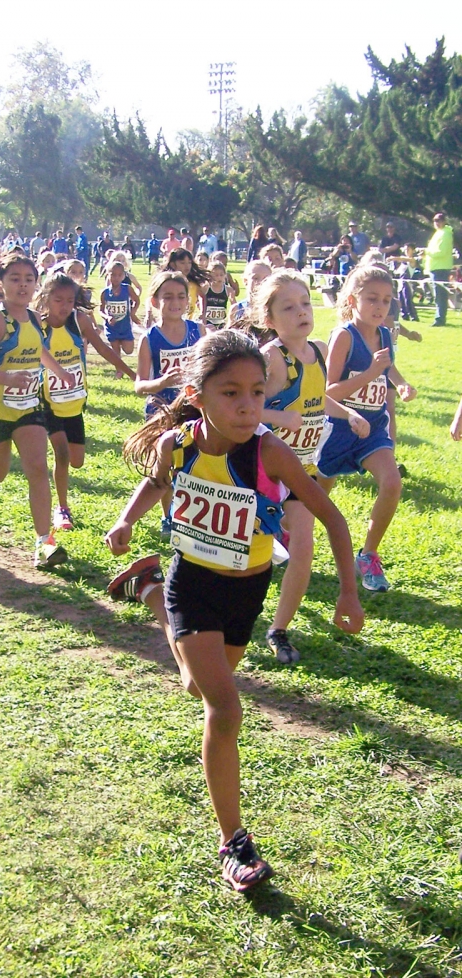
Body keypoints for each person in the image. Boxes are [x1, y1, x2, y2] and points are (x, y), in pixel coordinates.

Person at [105, 329, 364, 892]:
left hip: (246, 592)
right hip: (193, 583)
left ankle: (145, 588)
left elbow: (333, 519)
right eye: (230, 394)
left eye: (256, 392)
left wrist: (348, 590)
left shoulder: (269, 450)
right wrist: (127, 518)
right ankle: (234, 842)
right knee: (224, 709)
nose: (248, 406)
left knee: (197, 690)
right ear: (197, 396)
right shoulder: (179, 445)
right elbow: (156, 482)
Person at [258, 271, 371, 663]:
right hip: (261, 472)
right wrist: (278, 416)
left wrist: (348, 413)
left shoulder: (319, 350)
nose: (301, 312)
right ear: (269, 318)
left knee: (304, 550)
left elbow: (316, 397)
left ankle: (278, 629)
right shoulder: (271, 358)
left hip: (301, 471)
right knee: (245, 553)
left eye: (305, 303)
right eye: (288, 307)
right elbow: (242, 408)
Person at [0, 255, 75, 568]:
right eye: (15, 278)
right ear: (1, 283)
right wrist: (7, 377)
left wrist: (59, 370)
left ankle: (44, 544)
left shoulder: (34, 318)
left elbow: (38, 349)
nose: (22, 284)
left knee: (37, 468)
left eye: (28, 278)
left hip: (28, 406)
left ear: (36, 283)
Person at [316, 265, 417, 591]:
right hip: (339, 426)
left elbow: (387, 369)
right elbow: (329, 392)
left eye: (386, 300)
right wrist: (369, 373)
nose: (380, 306)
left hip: (372, 427)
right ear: (352, 299)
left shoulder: (385, 334)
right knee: (317, 496)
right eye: (372, 298)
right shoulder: (344, 335)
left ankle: (369, 553)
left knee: (392, 482)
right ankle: (287, 530)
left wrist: (400, 384)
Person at [37, 273, 135, 531]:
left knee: (77, 460)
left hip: (74, 401)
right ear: (46, 299)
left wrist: (130, 371)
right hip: (47, 401)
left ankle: (62, 495)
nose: (64, 305)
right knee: (62, 454)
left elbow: (103, 348)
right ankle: (62, 509)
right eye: (58, 300)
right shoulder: (38, 324)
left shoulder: (79, 320)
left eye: (70, 300)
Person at [135, 271, 205, 538]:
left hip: (193, 410)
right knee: (165, 468)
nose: (175, 302)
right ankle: (169, 517)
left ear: (189, 300)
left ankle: (192, 517)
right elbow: (139, 385)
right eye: (167, 297)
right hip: (161, 413)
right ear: (154, 302)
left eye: (180, 296)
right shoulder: (149, 338)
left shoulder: (198, 332)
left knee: (192, 467)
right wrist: (161, 382)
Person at [99, 261, 139, 369]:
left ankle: (123, 341)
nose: (116, 278)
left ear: (123, 276)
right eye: (113, 274)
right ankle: (119, 370)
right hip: (112, 327)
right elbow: (101, 310)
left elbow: (137, 300)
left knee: (129, 350)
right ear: (108, 274)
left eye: (119, 275)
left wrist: (132, 313)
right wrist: (107, 317)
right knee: (116, 351)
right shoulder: (105, 293)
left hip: (125, 326)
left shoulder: (127, 289)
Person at [160, 248, 209, 323]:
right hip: (168, 320)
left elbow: (202, 296)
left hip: (188, 321)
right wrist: (149, 313)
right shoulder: (166, 283)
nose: (187, 266)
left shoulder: (193, 283)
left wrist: (202, 313)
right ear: (173, 264)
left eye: (189, 263)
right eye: (182, 263)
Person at [424, 212, 454, 327]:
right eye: (435, 220)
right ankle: (439, 317)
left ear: (444, 221)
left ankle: (440, 319)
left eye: (439, 220)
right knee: (438, 295)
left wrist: (427, 252)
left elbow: (441, 252)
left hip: (440, 268)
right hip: (435, 267)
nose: (436, 223)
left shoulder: (445, 234)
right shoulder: (439, 233)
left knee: (440, 295)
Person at [201, 261, 235, 330]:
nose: (219, 277)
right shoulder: (206, 288)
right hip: (207, 322)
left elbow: (234, 306)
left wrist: (231, 320)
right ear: (209, 276)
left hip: (221, 323)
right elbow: (199, 300)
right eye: (216, 275)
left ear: (225, 275)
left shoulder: (228, 290)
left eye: (221, 275)